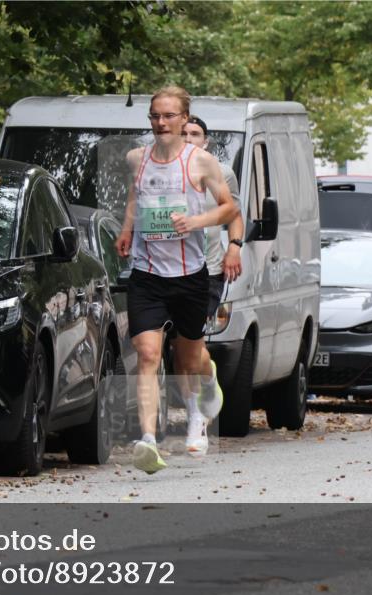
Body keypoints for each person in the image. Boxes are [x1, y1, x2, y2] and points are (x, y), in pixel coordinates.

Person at [115, 86, 237, 474]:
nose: (161, 122)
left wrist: (196, 221)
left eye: (168, 116)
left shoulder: (201, 162)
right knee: (148, 353)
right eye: (155, 115)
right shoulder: (137, 159)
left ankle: (198, 412)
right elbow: (135, 196)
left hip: (190, 276)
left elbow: (229, 208)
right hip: (147, 275)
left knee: (189, 358)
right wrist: (127, 228)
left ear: (184, 119)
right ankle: (148, 440)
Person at [179, 115, 243, 456]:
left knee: (190, 348)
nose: (188, 138)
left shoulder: (222, 173)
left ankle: (199, 418)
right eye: (183, 133)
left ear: (205, 141)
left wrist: (235, 247)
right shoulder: (162, 172)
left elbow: (234, 215)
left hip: (208, 271)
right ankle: (194, 412)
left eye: (195, 134)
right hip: (168, 271)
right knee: (178, 350)